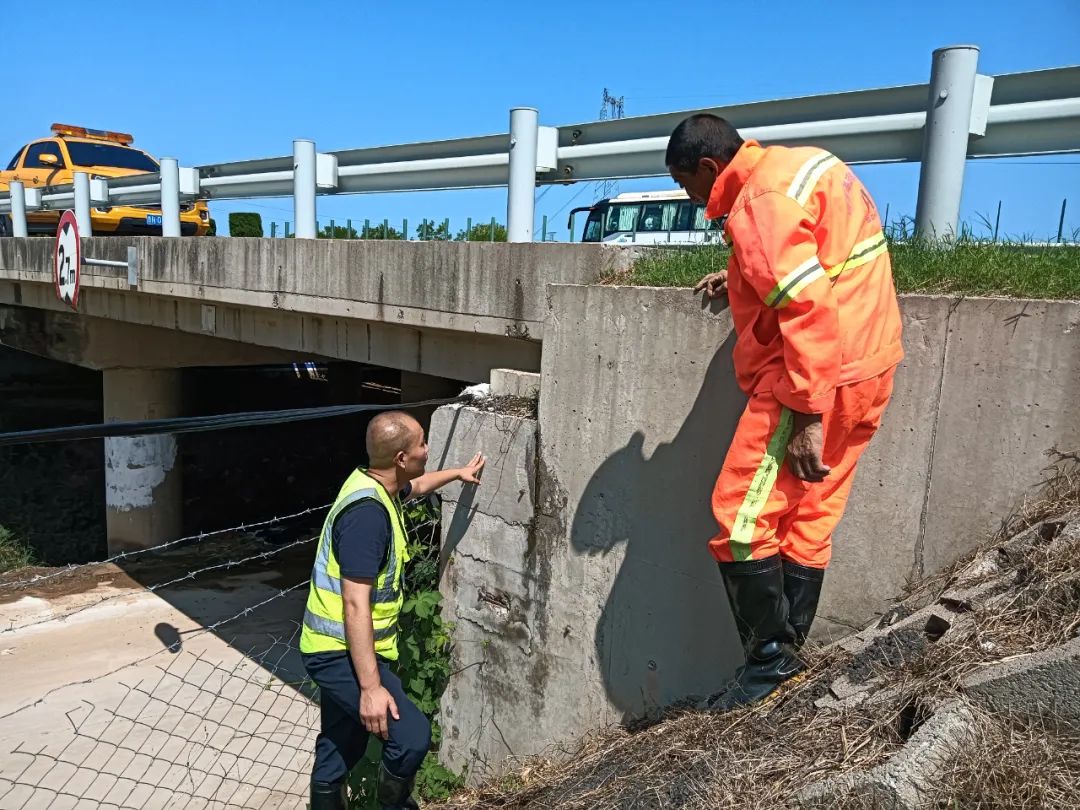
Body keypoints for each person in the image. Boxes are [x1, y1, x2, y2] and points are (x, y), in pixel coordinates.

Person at [665, 114, 903, 710]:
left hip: (814, 378)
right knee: (809, 516)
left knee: (739, 519)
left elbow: (808, 308)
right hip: (870, 361)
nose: (692, 202)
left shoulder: (759, 204)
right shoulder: (802, 166)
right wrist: (743, 272)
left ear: (709, 167)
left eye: (688, 186)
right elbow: (816, 259)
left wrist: (807, 413)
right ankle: (789, 657)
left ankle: (768, 664)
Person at [300, 411, 485, 809]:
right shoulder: (367, 517)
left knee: (340, 746)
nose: (427, 449)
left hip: (342, 648)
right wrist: (370, 688)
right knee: (411, 736)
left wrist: (457, 473)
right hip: (337, 652)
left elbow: (416, 487)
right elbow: (354, 603)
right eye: (421, 443)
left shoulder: (377, 486)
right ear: (401, 457)